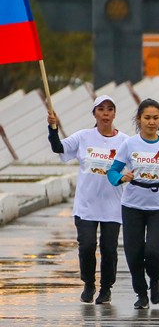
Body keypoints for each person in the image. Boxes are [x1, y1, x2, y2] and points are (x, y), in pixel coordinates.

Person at [47, 95, 129, 304]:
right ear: (94, 113)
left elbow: (139, 165)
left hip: (112, 206)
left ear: (114, 114)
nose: (106, 114)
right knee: (86, 246)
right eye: (101, 109)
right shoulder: (83, 137)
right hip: (86, 205)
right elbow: (58, 148)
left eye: (110, 109)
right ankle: (89, 283)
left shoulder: (125, 142)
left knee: (109, 249)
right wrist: (53, 128)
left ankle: (106, 287)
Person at [107, 99, 159, 309]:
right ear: (139, 119)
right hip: (132, 204)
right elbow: (112, 171)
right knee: (133, 253)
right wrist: (121, 178)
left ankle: (155, 280)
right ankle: (141, 294)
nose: (151, 122)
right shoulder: (129, 144)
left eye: (155, 118)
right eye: (147, 118)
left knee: (153, 251)